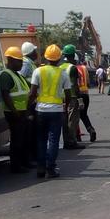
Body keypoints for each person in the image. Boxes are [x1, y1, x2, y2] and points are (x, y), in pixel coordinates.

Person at [28, 44, 71, 179]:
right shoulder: (63, 74)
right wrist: (65, 106)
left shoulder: (38, 71)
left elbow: (32, 93)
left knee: (41, 139)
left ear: (46, 57)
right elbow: (68, 94)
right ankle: (50, 167)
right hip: (56, 111)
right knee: (53, 140)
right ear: (59, 59)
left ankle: (40, 167)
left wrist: (27, 109)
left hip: (40, 110)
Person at [0, 47, 32, 173]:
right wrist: (14, 112)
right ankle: (16, 166)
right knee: (17, 141)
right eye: (19, 61)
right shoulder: (6, 75)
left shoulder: (17, 75)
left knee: (23, 139)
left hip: (21, 111)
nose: (21, 64)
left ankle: (24, 162)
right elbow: (5, 94)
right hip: (14, 113)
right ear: (11, 60)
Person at [60, 45, 85, 150]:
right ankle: (72, 142)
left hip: (61, 97)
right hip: (72, 97)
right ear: (73, 55)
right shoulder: (73, 68)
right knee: (73, 120)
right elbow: (75, 85)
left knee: (65, 121)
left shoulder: (60, 67)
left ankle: (66, 141)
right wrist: (80, 99)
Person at [75, 57, 97, 142]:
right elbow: (88, 81)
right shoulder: (84, 68)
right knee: (83, 114)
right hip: (85, 93)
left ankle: (77, 136)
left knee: (75, 116)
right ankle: (91, 130)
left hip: (77, 94)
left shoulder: (71, 68)